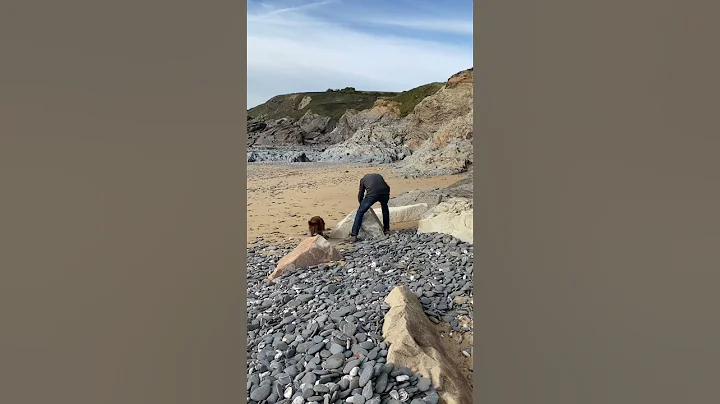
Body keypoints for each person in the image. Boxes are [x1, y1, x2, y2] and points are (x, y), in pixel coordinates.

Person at [345, 173, 391, 242]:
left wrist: (361, 204)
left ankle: (354, 235)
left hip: (373, 193)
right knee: (384, 208)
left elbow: (361, 193)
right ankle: (387, 229)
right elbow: (383, 184)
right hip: (385, 191)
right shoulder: (378, 175)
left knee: (360, 212)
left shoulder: (363, 180)